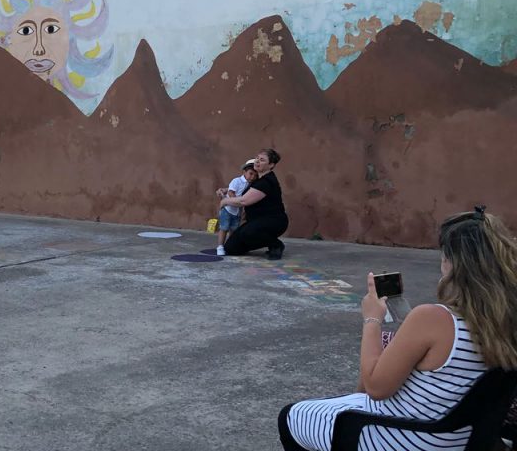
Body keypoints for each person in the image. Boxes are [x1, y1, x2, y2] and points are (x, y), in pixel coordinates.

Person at [280, 207, 517, 451]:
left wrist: (372, 319)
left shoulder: (433, 318)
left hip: (410, 438)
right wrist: (410, 326)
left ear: (454, 264)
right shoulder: (505, 320)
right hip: (462, 438)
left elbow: (374, 388)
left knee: (290, 416)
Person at [222, 149, 289, 260]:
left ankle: (276, 244)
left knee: (250, 232)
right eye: (257, 158)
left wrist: (224, 201)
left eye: (262, 160)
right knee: (230, 248)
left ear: (271, 165)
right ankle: (264, 239)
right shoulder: (258, 179)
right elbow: (243, 190)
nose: (257, 161)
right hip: (256, 222)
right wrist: (226, 190)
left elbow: (244, 201)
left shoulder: (267, 181)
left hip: (274, 222)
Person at [215, 159, 257, 256]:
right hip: (228, 209)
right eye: (251, 174)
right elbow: (231, 192)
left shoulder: (250, 185)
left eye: (255, 175)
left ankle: (230, 245)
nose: (252, 177)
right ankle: (220, 246)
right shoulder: (236, 181)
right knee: (224, 228)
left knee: (234, 229)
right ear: (244, 172)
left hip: (237, 211)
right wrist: (237, 202)